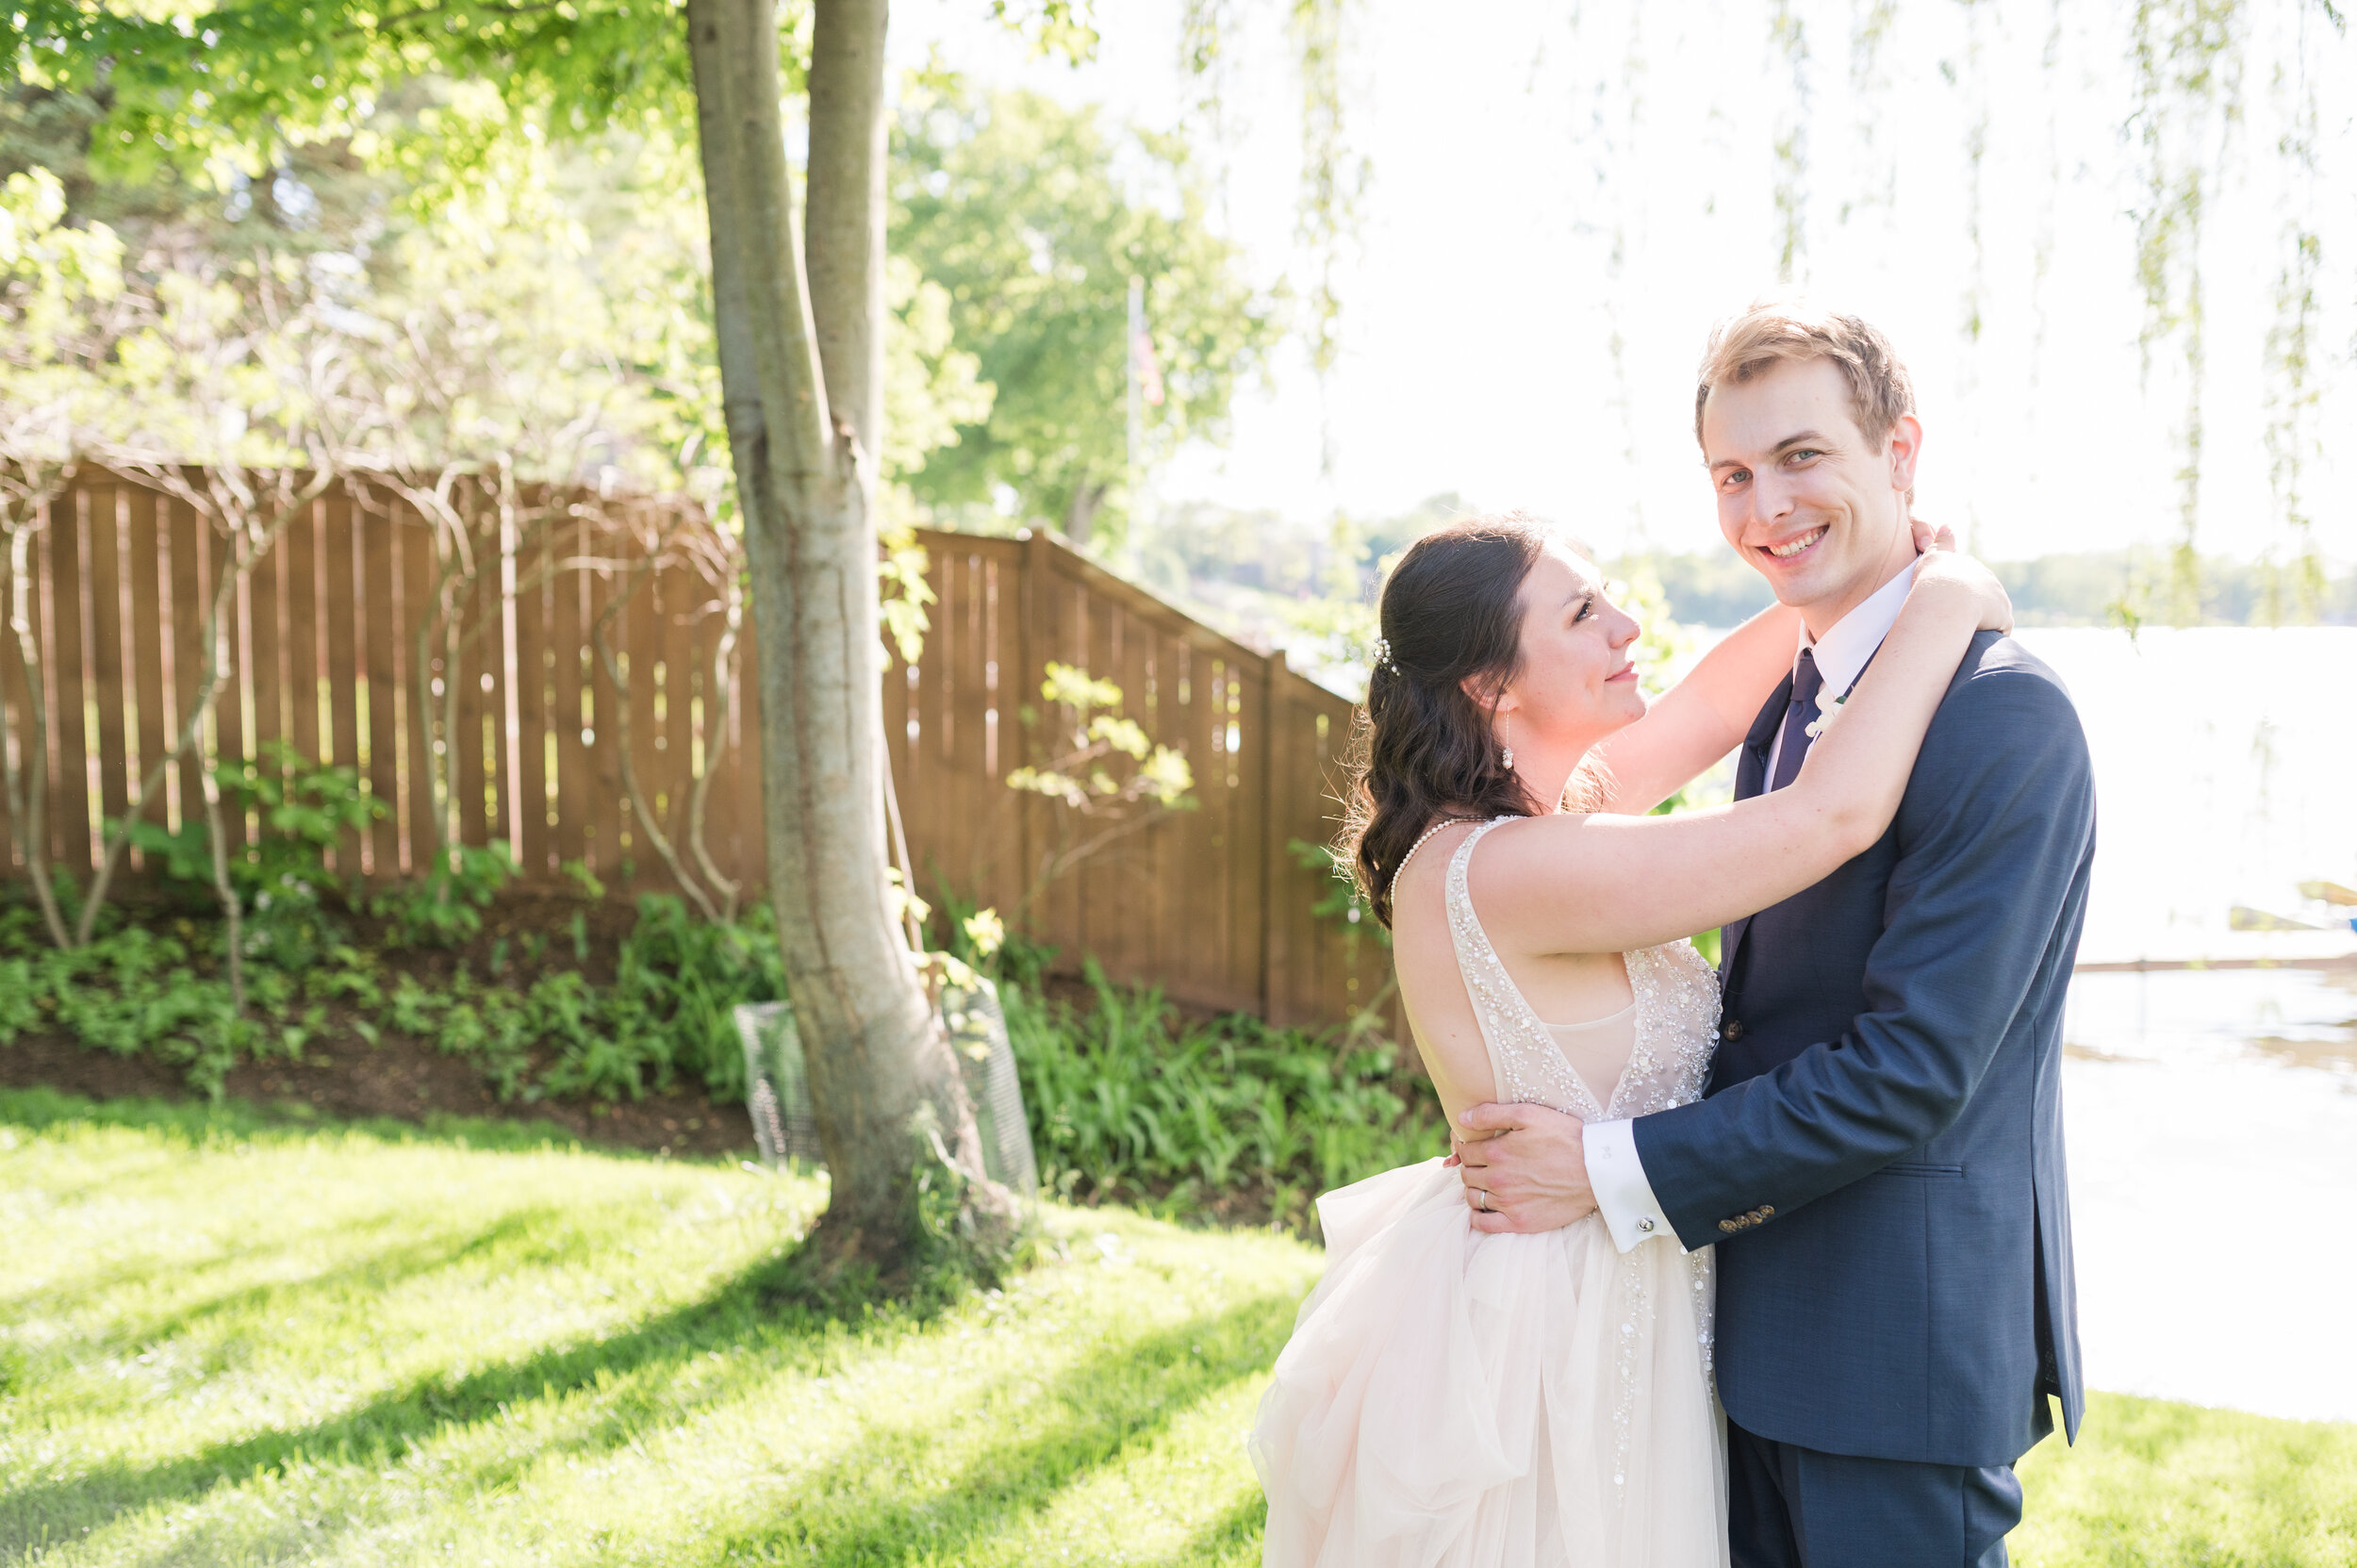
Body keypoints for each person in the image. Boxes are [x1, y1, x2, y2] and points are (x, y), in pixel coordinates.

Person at [1249, 483, 2016, 1562]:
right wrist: (1950, 597)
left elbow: (1708, 711)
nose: (1627, 629)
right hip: (1557, 1332)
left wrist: (1873, 578)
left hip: (1618, 1289)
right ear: (1489, 683)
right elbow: (1827, 816)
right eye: (1581, 617)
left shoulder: (1547, 820)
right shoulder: (1513, 867)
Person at [1448, 302, 2094, 1567]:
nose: (1765, 509)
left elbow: (1909, 1071)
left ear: (1901, 452)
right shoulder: (1797, 699)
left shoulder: (2002, 719)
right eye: (1732, 475)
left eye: (1803, 457)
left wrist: (1607, 1166)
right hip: (1737, 1335)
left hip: (1891, 1354)